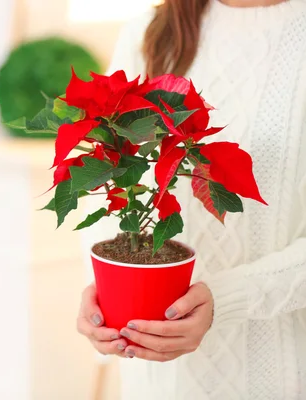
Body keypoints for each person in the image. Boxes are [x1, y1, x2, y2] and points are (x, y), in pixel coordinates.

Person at [77, 0, 306, 399]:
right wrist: (99, 293)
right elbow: (108, 181)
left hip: (278, 375)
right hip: (157, 383)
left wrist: (226, 298)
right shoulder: (149, 30)